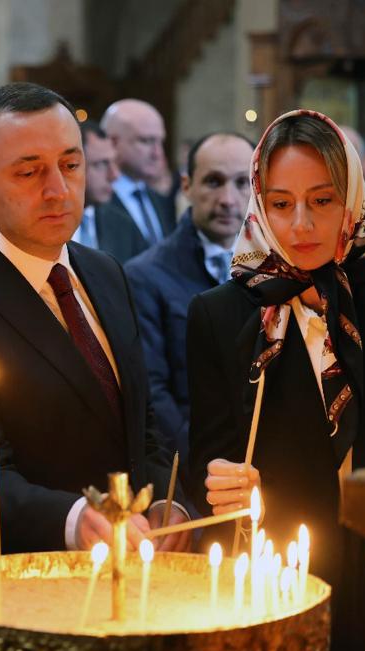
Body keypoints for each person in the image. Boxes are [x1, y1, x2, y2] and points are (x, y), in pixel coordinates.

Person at [187, 110, 365, 651]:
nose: (301, 224)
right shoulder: (221, 314)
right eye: (281, 204)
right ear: (260, 202)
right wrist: (224, 482)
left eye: (322, 201)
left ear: (352, 197)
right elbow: (210, 458)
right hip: (282, 573)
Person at [0, 82, 190, 561]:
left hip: (132, 568)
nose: (57, 190)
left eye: (72, 166)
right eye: (29, 172)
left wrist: (165, 500)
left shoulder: (105, 272)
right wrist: (76, 520)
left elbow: (141, 425)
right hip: (23, 580)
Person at [124, 132, 253, 471]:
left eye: (242, 183)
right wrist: (204, 461)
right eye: (213, 182)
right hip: (190, 467)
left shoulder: (275, 270)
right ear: (186, 186)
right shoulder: (145, 276)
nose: (228, 198)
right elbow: (152, 390)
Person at [101, 98, 177, 253]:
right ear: (113, 143)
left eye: (160, 142)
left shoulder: (159, 199)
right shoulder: (93, 203)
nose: (157, 153)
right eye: (146, 141)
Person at [74, 120, 141, 263]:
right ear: (71, 165)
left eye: (114, 162)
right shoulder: (45, 223)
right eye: (101, 164)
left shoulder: (123, 225)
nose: (114, 175)